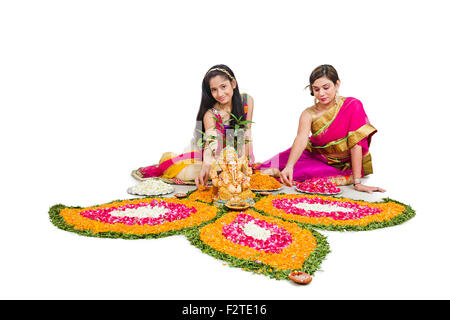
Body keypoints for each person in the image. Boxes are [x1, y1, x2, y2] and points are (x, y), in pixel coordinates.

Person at [258, 64, 385, 193]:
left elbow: (356, 143)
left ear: (337, 84)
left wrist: (357, 182)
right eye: (316, 89)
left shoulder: (352, 105)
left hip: (341, 164)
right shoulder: (308, 113)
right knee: (272, 166)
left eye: (326, 87)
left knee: (301, 174)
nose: (321, 93)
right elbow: (301, 139)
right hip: (313, 154)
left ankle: (347, 176)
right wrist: (289, 165)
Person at [136, 64, 255, 186]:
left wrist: (243, 164)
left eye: (223, 86)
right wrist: (206, 164)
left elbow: (246, 134)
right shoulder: (210, 114)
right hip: (212, 154)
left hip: (235, 155)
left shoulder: (246, 101)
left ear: (233, 83)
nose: (220, 93)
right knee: (201, 173)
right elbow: (211, 143)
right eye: (214, 89)